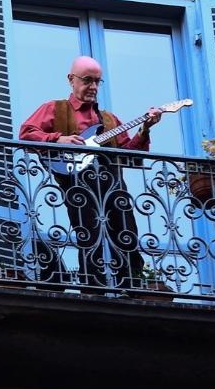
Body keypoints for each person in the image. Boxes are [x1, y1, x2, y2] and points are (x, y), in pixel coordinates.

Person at [18, 56, 162, 289]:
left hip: (112, 183)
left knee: (127, 230)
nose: (93, 87)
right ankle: (92, 285)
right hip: (77, 183)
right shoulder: (55, 109)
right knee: (88, 232)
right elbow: (26, 133)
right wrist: (59, 139)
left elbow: (129, 155)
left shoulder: (109, 119)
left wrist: (145, 129)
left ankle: (133, 284)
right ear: (71, 80)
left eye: (97, 81)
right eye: (87, 80)